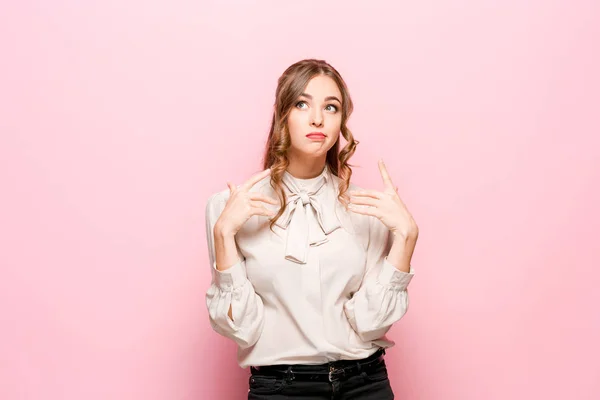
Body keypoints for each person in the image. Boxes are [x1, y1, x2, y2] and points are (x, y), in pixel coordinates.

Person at [204, 59, 418, 399]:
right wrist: (223, 235)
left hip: (365, 383)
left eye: (330, 107)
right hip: (281, 389)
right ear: (282, 115)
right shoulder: (229, 209)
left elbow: (370, 323)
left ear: (341, 123)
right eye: (302, 104)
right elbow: (242, 329)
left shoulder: (369, 210)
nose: (317, 118)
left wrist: (405, 239)